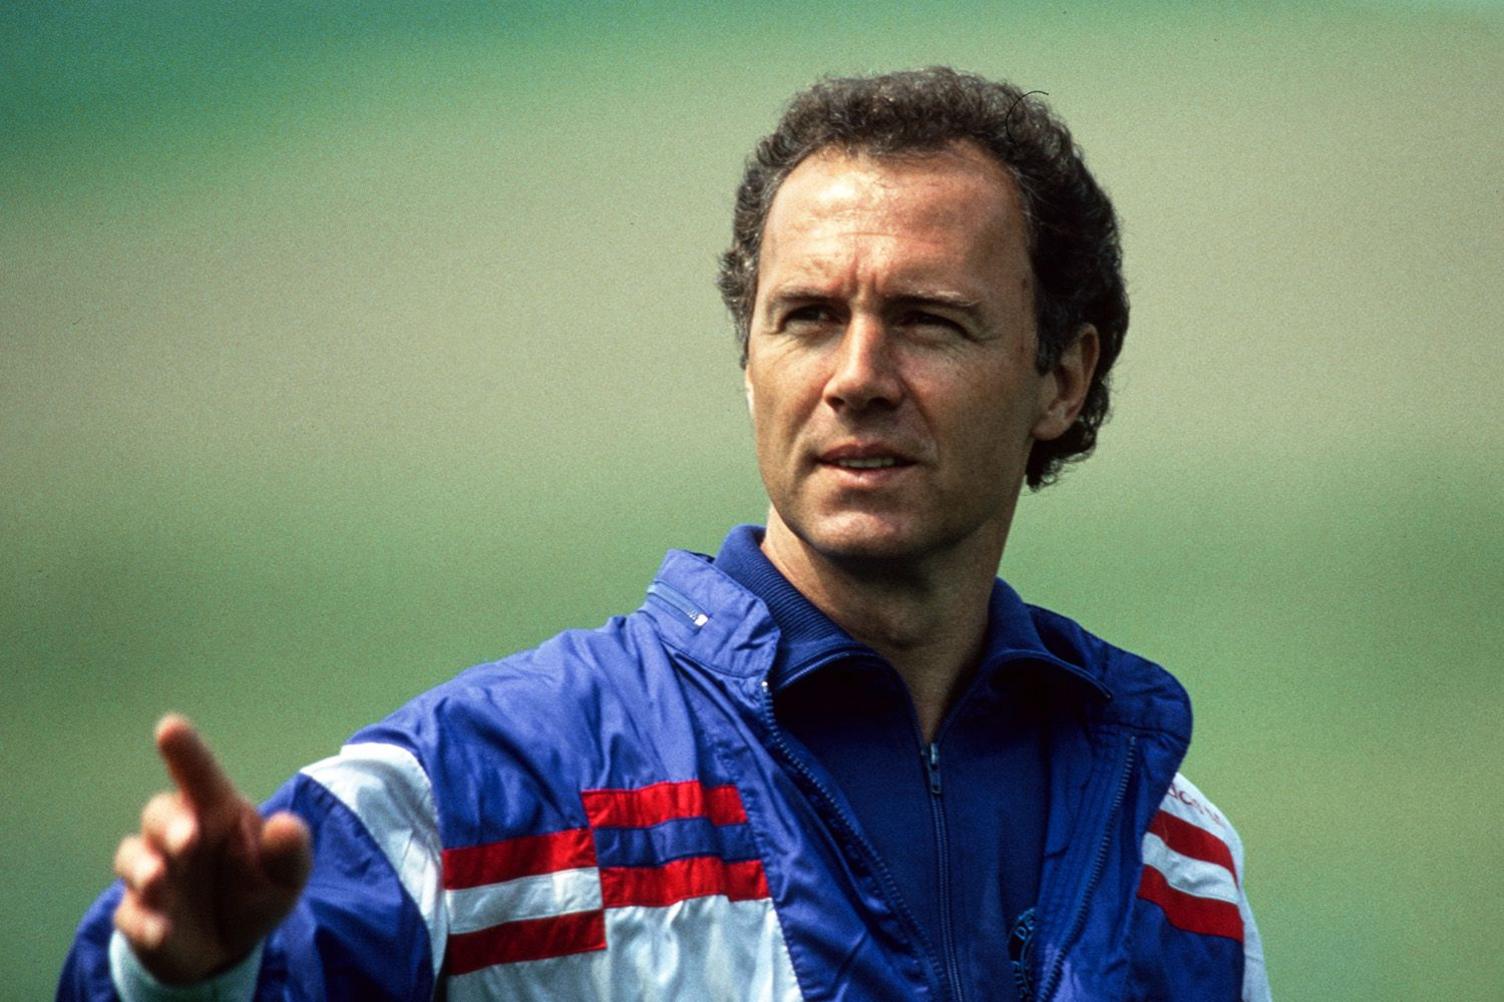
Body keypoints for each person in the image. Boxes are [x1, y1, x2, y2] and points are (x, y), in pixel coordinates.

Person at [60, 67, 1271, 1001]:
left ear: (1062, 376)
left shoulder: (1172, 856)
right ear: (747, 364)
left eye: (927, 320)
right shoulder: (496, 786)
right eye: (805, 316)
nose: (856, 375)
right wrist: (181, 977)